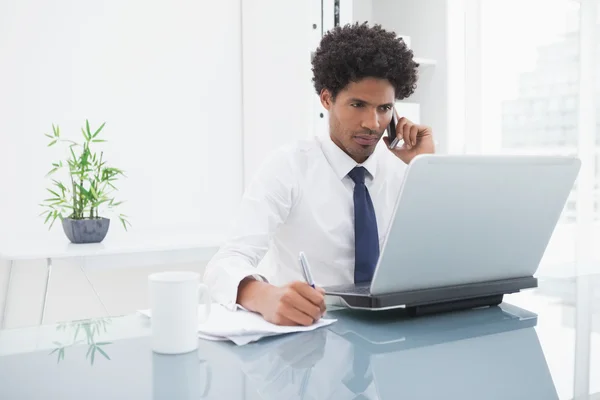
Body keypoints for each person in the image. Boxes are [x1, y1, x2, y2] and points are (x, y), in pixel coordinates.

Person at [204, 22, 436, 326]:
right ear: (327, 99)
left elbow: (444, 260)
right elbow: (225, 262)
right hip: (309, 337)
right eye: (358, 105)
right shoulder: (288, 167)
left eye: (384, 108)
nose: (373, 123)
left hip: (394, 332)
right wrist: (263, 295)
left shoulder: (403, 168)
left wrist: (425, 171)